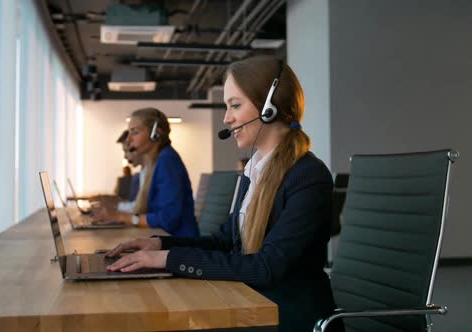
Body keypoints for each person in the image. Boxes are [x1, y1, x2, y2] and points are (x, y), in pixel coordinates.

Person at [105, 56, 343, 332]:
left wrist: (169, 261)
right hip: (251, 303)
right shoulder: (253, 172)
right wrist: (160, 246)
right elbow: (224, 241)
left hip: (288, 317)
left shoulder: (308, 176)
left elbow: (266, 267)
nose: (227, 118)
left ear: (268, 108)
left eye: (235, 105)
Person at [94, 108, 200, 238]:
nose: (128, 139)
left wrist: (128, 218)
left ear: (156, 134)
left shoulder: (167, 161)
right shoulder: (155, 162)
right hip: (165, 239)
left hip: (180, 244)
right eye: (129, 132)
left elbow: (168, 219)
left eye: (135, 132)